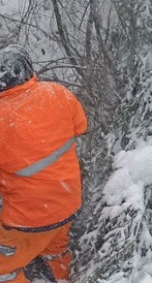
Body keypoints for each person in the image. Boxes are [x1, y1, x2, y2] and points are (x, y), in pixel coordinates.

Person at [0, 45, 87, 282]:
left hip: (27, 218)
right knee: (55, 251)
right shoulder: (58, 93)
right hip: (67, 202)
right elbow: (81, 127)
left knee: (3, 269)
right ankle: (61, 276)